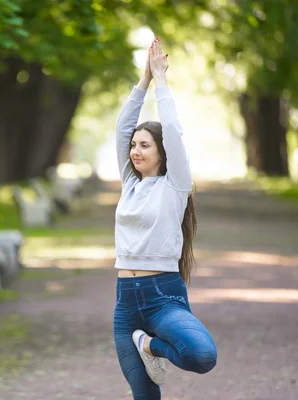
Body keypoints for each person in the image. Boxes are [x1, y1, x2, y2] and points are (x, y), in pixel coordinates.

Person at [113, 37, 217, 400]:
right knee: (144, 397)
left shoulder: (175, 185)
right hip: (126, 302)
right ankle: (142, 343)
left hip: (163, 297)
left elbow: (172, 130)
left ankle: (150, 345)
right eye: (134, 145)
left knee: (202, 355)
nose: (135, 150)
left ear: (161, 152)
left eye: (145, 145)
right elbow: (121, 128)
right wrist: (142, 80)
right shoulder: (129, 184)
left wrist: (161, 81)